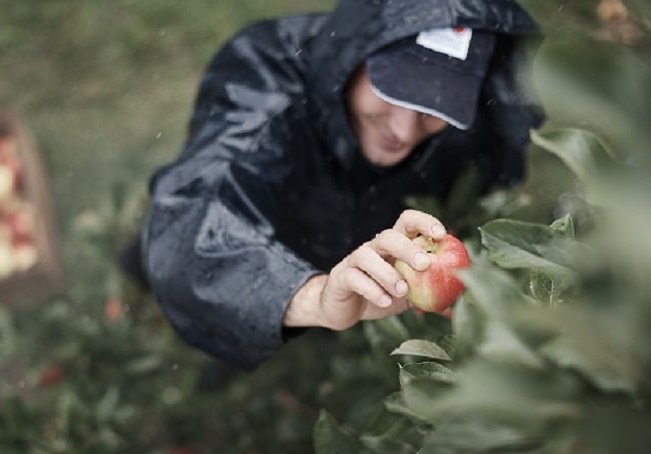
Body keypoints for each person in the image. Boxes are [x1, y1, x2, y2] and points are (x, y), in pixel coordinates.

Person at [124, 0, 543, 371]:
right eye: (393, 90)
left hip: (358, 291)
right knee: (195, 348)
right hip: (255, 278)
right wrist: (311, 297)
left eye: (435, 108)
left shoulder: (476, 126)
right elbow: (194, 223)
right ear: (356, 53)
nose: (404, 129)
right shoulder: (268, 76)